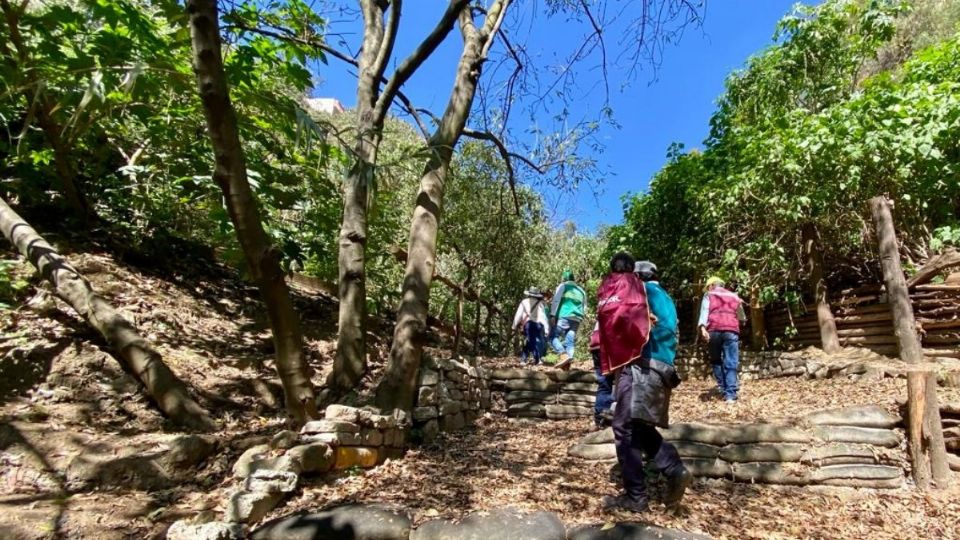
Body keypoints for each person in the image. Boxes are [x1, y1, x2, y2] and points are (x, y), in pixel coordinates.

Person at [598, 253, 690, 514]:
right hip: (664, 368)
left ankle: (636, 496)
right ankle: (674, 470)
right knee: (637, 427)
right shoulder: (667, 299)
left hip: (641, 365)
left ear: (635, 277)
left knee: (624, 428)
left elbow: (620, 318)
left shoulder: (637, 291)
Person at [698, 276, 746, 403]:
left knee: (716, 360)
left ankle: (723, 387)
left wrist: (703, 328)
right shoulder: (734, 296)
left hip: (713, 330)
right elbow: (742, 316)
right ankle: (730, 394)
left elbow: (704, 312)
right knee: (731, 360)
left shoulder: (709, 295)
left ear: (711, 285)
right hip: (731, 330)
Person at [550, 270, 587, 369]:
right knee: (569, 340)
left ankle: (563, 354)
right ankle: (567, 364)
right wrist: (581, 317)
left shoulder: (563, 286)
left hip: (565, 315)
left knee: (552, 336)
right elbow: (584, 306)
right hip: (577, 318)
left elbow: (556, 300)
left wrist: (552, 315)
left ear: (564, 278)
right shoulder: (581, 290)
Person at [512, 287, 550, 365]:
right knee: (531, 341)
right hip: (539, 325)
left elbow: (518, 315)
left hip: (529, 324)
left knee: (531, 341)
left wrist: (514, 325)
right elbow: (543, 317)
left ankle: (536, 359)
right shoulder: (540, 303)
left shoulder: (524, 302)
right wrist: (546, 329)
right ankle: (525, 359)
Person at [589, 322, 613, 428]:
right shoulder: (619, 305)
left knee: (604, 382)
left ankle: (599, 418)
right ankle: (604, 418)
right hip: (607, 343)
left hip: (596, 343)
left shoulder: (604, 304)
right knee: (607, 382)